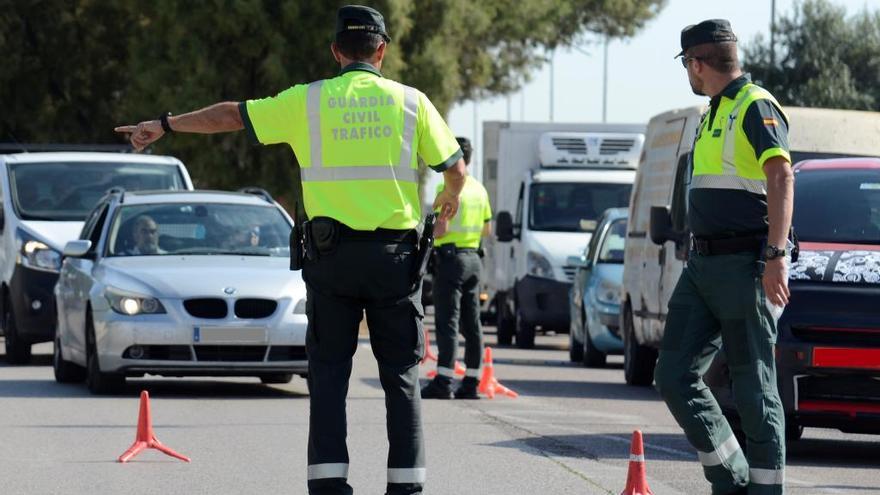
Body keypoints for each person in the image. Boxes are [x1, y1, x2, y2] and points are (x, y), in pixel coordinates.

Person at [115, 6, 466, 495]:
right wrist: (449, 199)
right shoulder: (412, 103)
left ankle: (328, 488)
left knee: (327, 377)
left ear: (336, 51)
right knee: (402, 378)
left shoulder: (309, 101)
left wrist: (165, 124)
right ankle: (405, 489)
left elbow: (230, 115)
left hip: (331, 261)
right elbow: (455, 167)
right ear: (382, 50)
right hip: (394, 262)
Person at [654, 20, 793, 495]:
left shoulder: (755, 106)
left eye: (686, 66)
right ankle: (729, 478)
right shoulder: (712, 112)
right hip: (702, 267)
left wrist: (776, 253)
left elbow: (781, 177)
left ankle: (765, 490)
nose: (687, 74)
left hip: (744, 266)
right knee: (673, 374)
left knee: (754, 390)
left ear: (696, 63)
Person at [421, 137, 491, 400]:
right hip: (475, 259)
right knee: (472, 323)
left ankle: (443, 381)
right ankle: (471, 382)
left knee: (447, 321)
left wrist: (428, 235)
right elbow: (488, 229)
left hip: (451, 261)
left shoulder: (449, 187)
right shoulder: (480, 190)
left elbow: (442, 228)